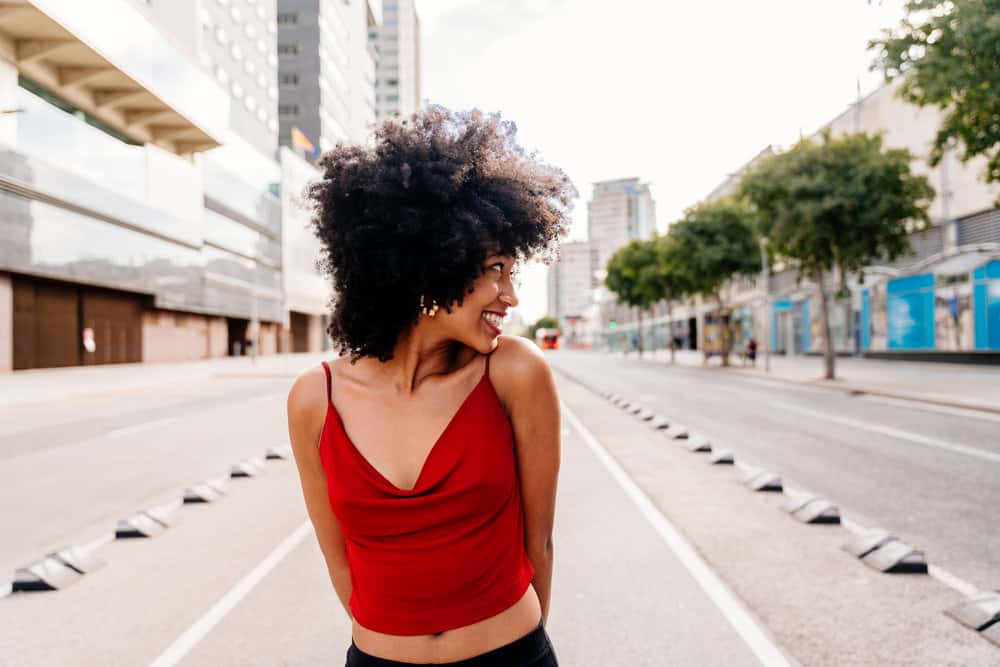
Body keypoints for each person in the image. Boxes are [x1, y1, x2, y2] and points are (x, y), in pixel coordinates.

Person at [286, 107, 575, 666]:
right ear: (429, 265)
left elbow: (538, 543)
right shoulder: (313, 400)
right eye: (496, 268)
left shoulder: (516, 373)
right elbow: (339, 561)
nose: (510, 295)